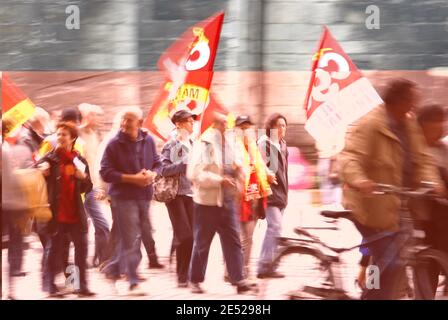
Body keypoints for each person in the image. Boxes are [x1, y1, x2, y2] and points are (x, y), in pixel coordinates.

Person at [338, 79, 446, 299]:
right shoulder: (370, 125)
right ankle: (371, 293)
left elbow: (422, 159)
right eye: (412, 100)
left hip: (397, 205)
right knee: (388, 259)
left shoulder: (409, 126)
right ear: (398, 100)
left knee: (390, 258)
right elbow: (350, 158)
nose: (415, 105)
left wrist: (433, 182)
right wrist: (360, 181)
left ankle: (375, 290)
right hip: (370, 205)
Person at [187, 113, 256, 294]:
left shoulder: (231, 143)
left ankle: (238, 279)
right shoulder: (204, 144)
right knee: (202, 243)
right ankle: (194, 280)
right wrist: (219, 180)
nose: (227, 126)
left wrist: (239, 170)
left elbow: (240, 163)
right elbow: (195, 174)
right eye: (224, 123)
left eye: (227, 123)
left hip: (228, 201)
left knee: (233, 242)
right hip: (207, 204)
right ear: (215, 124)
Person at [100, 107, 161, 295]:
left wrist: (152, 173)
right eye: (123, 119)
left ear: (140, 123)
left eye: (129, 120)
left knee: (135, 237)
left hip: (144, 196)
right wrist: (131, 178)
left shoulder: (149, 140)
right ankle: (133, 282)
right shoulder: (113, 144)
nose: (124, 123)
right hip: (123, 198)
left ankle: (112, 269)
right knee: (131, 239)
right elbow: (105, 172)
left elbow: (158, 163)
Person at [37, 122, 95, 297]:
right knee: (54, 251)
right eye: (58, 134)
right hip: (56, 215)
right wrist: (41, 169)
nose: (60, 137)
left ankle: (80, 286)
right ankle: (50, 287)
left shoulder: (79, 160)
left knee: (81, 251)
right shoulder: (49, 159)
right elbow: (34, 170)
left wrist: (82, 177)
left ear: (73, 138)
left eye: (64, 134)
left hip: (75, 214)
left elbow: (88, 187)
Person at [233, 115, 275, 279]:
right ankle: (234, 270)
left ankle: (244, 269)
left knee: (248, 238)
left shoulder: (253, 147)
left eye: (248, 127)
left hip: (255, 198)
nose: (246, 131)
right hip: (238, 198)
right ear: (236, 129)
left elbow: (261, 166)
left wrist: (268, 173)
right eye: (242, 128)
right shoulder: (232, 149)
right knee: (238, 238)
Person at [160, 110, 197, 287]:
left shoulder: (192, 143)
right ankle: (182, 276)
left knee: (190, 236)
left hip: (191, 193)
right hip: (175, 195)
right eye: (189, 122)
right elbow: (164, 169)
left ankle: (184, 273)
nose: (192, 125)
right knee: (186, 236)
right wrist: (184, 165)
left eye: (192, 122)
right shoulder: (172, 145)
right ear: (179, 124)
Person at [415, 104, 448, 298]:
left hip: (438, 218)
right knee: (375, 256)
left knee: (431, 263)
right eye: (436, 126)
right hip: (382, 211)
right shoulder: (414, 148)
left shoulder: (442, 148)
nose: (442, 129)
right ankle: (370, 287)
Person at [78, 103, 111, 267]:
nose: (101, 119)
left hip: (94, 186)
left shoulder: (94, 134)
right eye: (98, 116)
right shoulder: (78, 134)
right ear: (88, 116)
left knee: (98, 225)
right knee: (101, 224)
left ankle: (98, 259)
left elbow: (97, 162)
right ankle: (103, 260)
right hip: (84, 188)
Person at [256, 113, 289, 279]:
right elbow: (259, 165)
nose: (282, 129)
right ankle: (263, 266)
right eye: (279, 125)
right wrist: (267, 174)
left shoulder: (283, 144)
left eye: (284, 125)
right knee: (275, 227)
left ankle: (269, 265)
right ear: (271, 127)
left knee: (275, 229)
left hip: (282, 193)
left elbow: (285, 172)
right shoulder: (264, 144)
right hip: (269, 193)